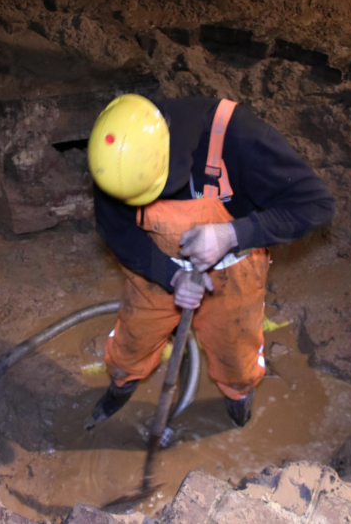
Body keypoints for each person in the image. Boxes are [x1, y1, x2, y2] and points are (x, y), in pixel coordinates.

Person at [84, 95, 335, 429]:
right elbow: (119, 232)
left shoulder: (241, 139)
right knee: (131, 342)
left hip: (232, 270)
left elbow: (315, 206)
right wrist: (171, 276)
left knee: (236, 356)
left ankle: (237, 402)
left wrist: (231, 234)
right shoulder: (116, 156)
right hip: (157, 262)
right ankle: (119, 389)